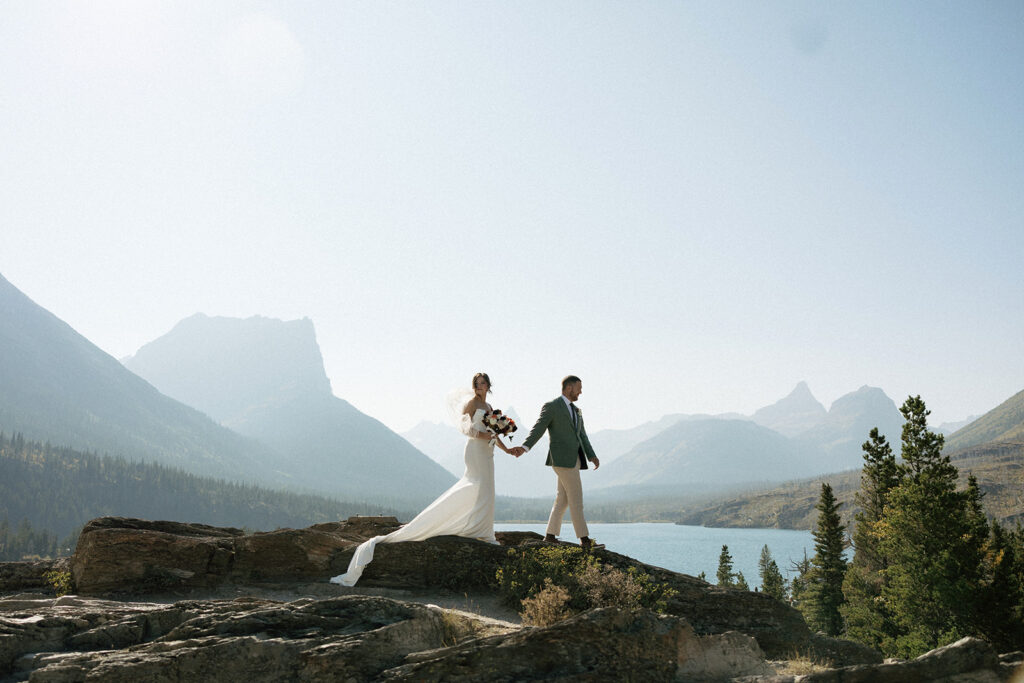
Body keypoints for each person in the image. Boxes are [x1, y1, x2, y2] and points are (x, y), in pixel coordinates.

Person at [331, 372, 517, 586]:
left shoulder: (490, 407)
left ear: (488, 386)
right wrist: (479, 436)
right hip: (475, 449)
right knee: (476, 485)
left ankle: (483, 530)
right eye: (476, 383)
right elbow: (465, 427)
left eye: (483, 383)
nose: (479, 386)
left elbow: (493, 433)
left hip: (488, 451)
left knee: (486, 490)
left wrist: (508, 449)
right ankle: (476, 530)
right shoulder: (471, 403)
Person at [510, 375, 604, 551]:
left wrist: (592, 456)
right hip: (561, 460)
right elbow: (539, 428)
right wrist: (524, 447)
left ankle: (550, 536)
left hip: (575, 460)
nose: (581, 392)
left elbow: (582, 435)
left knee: (563, 499)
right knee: (576, 499)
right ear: (569, 388)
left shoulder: (577, 411)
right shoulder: (552, 407)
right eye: (579, 388)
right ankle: (584, 541)